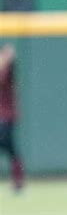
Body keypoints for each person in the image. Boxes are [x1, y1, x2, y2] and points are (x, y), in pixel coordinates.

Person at [0, 44, 24, 191]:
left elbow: (10, 60)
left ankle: (18, 180)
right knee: (10, 149)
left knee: (10, 148)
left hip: (6, 116)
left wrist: (7, 57)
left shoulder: (6, 69)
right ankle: (18, 180)